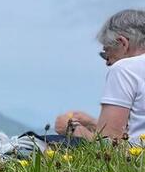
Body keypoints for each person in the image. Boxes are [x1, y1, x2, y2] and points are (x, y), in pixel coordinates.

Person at [55, 9, 145, 144]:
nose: (107, 62)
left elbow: (111, 147)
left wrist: (71, 128)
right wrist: (92, 123)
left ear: (123, 43)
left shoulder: (124, 69)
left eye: (106, 52)